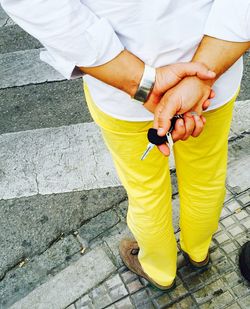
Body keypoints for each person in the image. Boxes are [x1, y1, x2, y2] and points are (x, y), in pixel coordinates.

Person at [1, 0, 249, 290]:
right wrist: (201, 73)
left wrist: (144, 82)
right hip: (211, 81)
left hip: (121, 88)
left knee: (145, 190)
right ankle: (198, 250)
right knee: (206, 176)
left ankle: (160, 269)